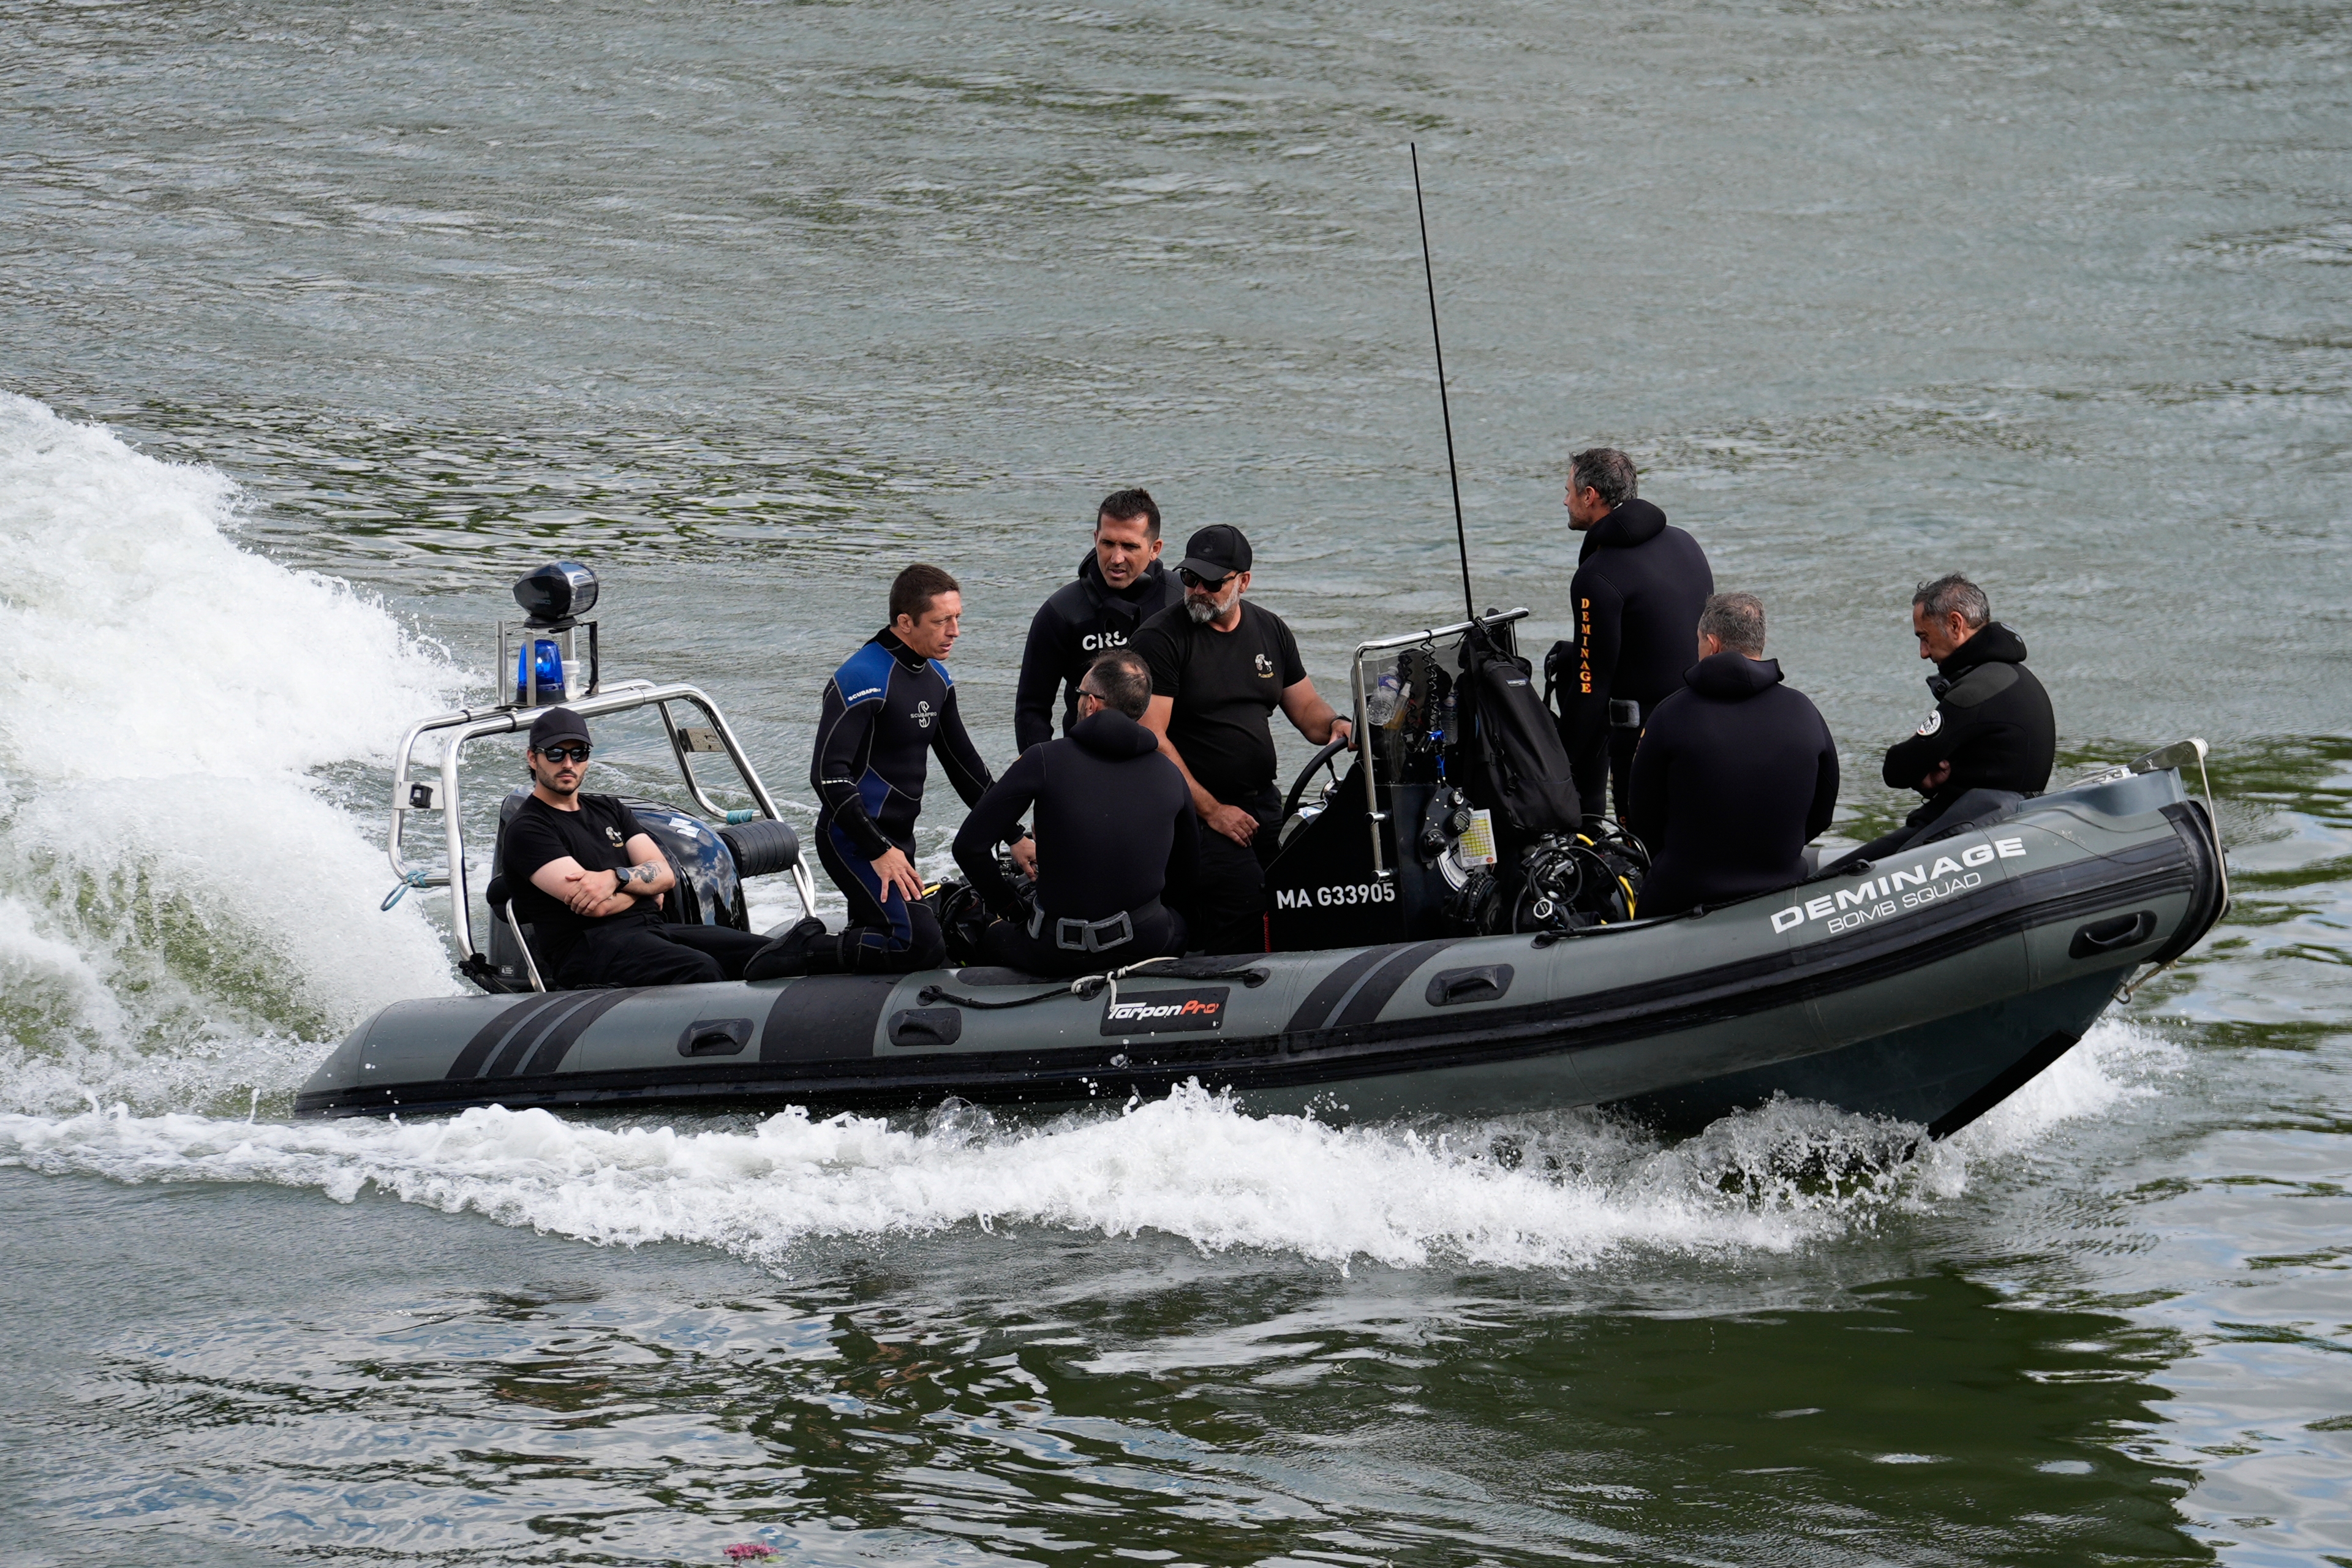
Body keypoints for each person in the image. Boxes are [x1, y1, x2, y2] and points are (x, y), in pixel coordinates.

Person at [765, 564, 1037, 978]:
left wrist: (1015, 836)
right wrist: (878, 849)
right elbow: (828, 775)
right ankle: (805, 948)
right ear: (905, 622)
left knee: (898, 935)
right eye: (942, 620)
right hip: (854, 840)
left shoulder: (937, 680)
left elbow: (966, 769)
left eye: (958, 617)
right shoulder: (861, 677)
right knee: (918, 944)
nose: (955, 631)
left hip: (899, 842)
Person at [1132, 524, 1352, 954]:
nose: (1197, 590)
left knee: (1304, 881)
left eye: (1212, 582)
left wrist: (1337, 725)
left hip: (1261, 801)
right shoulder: (1160, 639)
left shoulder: (1270, 630)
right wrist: (1213, 811)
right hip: (1190, 812)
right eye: (1190, 578)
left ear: (1243, 581)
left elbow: (1307, 712)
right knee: (1244, 898)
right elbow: (1150, 736)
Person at [952, 650, 1197, 976]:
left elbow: (968, 847)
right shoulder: (1171, 773)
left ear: (1092, 704)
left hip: (1058, 950)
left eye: (1078, 694)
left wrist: (1014, 910)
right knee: (1176, 922)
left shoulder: (1044, 759)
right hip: (1147, 943)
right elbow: (1188, 871)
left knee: (985, 933)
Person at [500, 706, 773, 987]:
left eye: (578, 753)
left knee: (768, 953)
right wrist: (644, 889)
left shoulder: (611, 810)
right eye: (556, 754)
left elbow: (666, 876)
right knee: (699, 970)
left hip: (653, 930)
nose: (568, 763)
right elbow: (598, 907)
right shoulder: (528, 829)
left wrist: (617, 878)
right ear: (533, 759)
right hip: (590, 950)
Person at [1624, 594, 1839, 919]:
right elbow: (1822, 813)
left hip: (1682, 894)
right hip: (1782, 889)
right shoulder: (1804, 711)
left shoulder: (1670, 715)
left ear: (1712, 644)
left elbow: (1642, 817)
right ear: (1760, 643)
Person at [1839, 573, 2055, 867]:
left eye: (1925, 638)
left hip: (1974, 822)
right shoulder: (2013, 677)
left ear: (1956, 624)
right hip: (1992, 818)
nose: (1923, 653)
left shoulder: (1978, 691)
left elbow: (1898, 769)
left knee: (1834, 878)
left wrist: (1923, 771)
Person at [1547, 447, 1714, 827]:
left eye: (1570, 490)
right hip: (1697, 715)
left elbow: (1592, 687)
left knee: (1639, 847)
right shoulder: (1683, 542)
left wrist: (1557, 767)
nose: (1565, 500)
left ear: (1591, 496)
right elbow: (1658, 634)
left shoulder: (1599, 576)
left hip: (1642, 740)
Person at [1012, 488, 1185, 753]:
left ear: (1155, 549)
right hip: (1088, 758)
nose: (1117, 558)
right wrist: (1045, 772)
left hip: (1168, 760)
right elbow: (1031, 709)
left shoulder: (1180, 601)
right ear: (1096, 538)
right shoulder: (1061, 611)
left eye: (1130, 546)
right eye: (1108, 544)